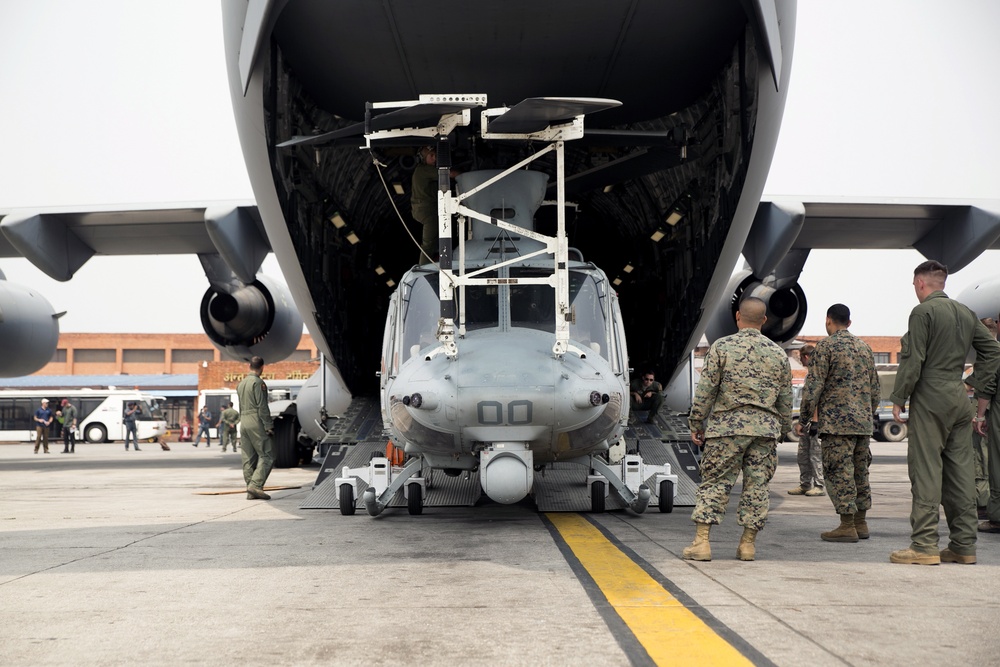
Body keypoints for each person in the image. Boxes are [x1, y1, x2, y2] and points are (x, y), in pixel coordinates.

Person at [889, 260, 1000, 565]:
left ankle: (924, 545)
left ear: (921, 283)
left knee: (925, 470)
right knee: (961, 472)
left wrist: (899, 397)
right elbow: (993, 352)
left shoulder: (923, 312)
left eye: (915, 285)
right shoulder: (965, 312)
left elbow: (913, 359)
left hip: (930, 397)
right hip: (958, 396)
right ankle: (964, 545)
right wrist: (973, 384)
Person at [684, 297, 793, 562]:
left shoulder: (722, 347)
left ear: (737, 317)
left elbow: (706, 390)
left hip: (726, 430)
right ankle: (747, 545)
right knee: (757, 487)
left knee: (715, 482)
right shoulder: (778, 353)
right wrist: (782, 428)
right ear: (764, 320)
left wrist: (697, 423)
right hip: (764, 431)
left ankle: (702, 543)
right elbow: (786, 399)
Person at [795, 304, 880, 543]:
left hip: (836, 425)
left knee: (839, 473)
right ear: (849, 323)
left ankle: (846, 525)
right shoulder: (864, 347)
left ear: (828, 320)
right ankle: (860, 523)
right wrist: (867, 416)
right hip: (862, 424)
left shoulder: (825, 347)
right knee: (860, 472)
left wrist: (803, 419)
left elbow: (814, 386)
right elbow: (874, 387)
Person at [788, 344, 825, 497]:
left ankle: (819, 485)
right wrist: (802, 422)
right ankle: (805, 484)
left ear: (807, 357)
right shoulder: (809, 374)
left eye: (801, 358)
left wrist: (815, 421)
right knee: (803, 455)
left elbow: (817, 398)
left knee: (815, 454)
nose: (801, 361)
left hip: (816, 421)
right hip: (807, 420)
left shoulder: (818, 374)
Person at [237, 356, 275, 500]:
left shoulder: (241, 384)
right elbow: (262, 406)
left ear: (249, 366)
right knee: (268, 454)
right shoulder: (258, 383)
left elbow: (241, 406)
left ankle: (250, 490)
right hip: (255, 420)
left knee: (248, 457)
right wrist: (268, 425)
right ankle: (256, 485)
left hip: (244, 421)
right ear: (262, 367)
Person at [971, 317, 997, 521]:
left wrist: (979, 415)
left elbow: (985, 387)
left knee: (981, 457)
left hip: (988, 411)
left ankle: (983, 503)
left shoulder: (988, 355)